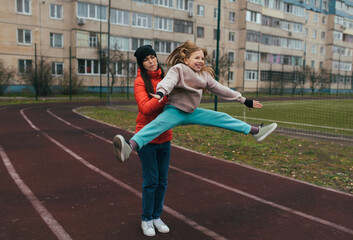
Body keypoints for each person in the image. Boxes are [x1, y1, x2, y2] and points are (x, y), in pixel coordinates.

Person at [113, 40, 277, 162]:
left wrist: (244, 100)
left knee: (221, 117)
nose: (200, 61)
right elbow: (168, 82)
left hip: (192, 112)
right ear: (185, 59)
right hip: (175, 111)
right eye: (196, 57)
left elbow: (221, 89)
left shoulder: (204, 76)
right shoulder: (178, 69)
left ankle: (256, 131)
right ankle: (129, 147)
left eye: (202, 58)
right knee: (155, 126)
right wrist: (161, 92)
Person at [124, 45, 173, 237]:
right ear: (141, 63)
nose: (151, 61)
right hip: (146, 138)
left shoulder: (166, 78)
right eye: (146, 59)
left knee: (162, 181)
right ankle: (146, 219)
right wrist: (164, 96)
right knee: (151, 181)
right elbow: (145, 108)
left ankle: (156, 216)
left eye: (153, 57)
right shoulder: (139, 82)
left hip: (165, 137)